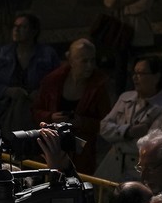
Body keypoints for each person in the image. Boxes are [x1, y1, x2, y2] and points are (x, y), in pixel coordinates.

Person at [33, 38, 111, 174]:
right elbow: (35, 110)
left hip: (82, 154)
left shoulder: (99, 85)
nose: (90, 66)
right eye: (84, 61)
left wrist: (81, 122)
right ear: (70, 59)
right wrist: (50, 116)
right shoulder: (52, 81)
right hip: (51, 147)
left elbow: (106, 123)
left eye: (93, 60)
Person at [96, 55, 162, 182]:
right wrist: (128, 131)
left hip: (138, 172)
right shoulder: (126, 98)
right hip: (111, 166)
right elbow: (103, 127)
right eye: (134, 73)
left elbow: (149, 146)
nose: (134, 78)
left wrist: (116, 138)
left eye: (141, 73)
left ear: (157, 77)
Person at [0, 12, 61, 134]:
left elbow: (57, 82)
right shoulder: (3, 53)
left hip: (38, 110)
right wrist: (8, 91)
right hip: (8, 110)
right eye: (15, 26)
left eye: (22, 27)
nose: (16, 30)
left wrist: (41, 93)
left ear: (33, 31)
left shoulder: (47, 54)